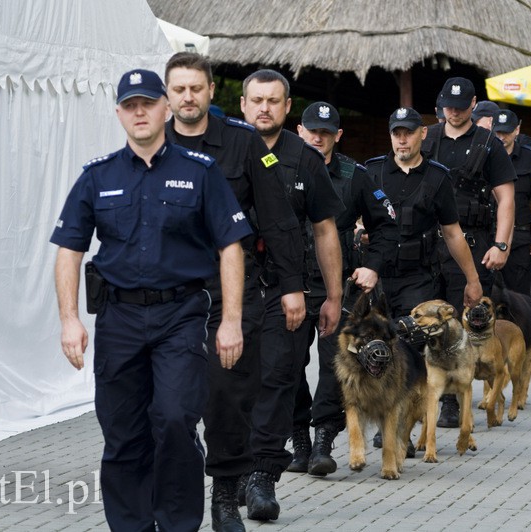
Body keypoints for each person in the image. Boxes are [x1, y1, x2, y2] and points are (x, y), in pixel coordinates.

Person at [50, 68, 252, 532]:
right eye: (129, 105)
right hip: (118, 318)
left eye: (147, 103)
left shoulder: (200, 173)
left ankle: (178, 524)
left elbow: (230, 246)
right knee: (123, 434)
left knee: (176, 419)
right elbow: (69, 250)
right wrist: (69, 320)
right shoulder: (96, 177)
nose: (139, 112)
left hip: (180, 315)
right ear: (119, 113)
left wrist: (232, 321)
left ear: (165, 108)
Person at [163, 52, 306, 532]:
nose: (188, 97)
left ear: (210, 93)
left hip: (235, 292)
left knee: (229, 398)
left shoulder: (244, 146)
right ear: (168, 96)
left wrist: (292, 288)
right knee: (173, 404)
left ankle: (224, 497)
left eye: (196, 88)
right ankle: (175, 487)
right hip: (173, 294)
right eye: (178, 90)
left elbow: (279, 220)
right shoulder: (151, 143)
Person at [240, 70, 344, 522]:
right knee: (231, 382)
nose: (264, 108)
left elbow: (325, 230)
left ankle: (263, 474)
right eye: (257, 100)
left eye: (274, 101)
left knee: (279, 377)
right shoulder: (219, 150)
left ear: (287, 109)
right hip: (227, 288)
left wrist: (334, 296)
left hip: (287, 290)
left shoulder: (306, 159)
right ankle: (235, 466)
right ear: (244, 104)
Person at [290, 101, 399, 477]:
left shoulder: (356, 175)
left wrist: (372, 266)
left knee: (332, 367)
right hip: (287, 283)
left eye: (326, 131)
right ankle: (298, 440)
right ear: (299, 130)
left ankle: (323, 439)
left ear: (338, 135)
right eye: (311, 130)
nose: (317, 137)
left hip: (337, 287)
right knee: (285, 367)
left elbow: (386, 225)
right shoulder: (278, 165)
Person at [423, 77, 516, 428]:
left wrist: (502, 244)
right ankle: (424, 392)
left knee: (462, 325)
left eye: (461, 107)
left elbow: (505, 198)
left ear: (474, 104)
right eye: (449, 105)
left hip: (474, 244)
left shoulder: (488, 143)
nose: (454, 112)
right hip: (430, 243)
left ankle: (453, 398)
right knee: (426, 319)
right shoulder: (426, 138)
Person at [365, 107, 483, 318]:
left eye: (408, 133)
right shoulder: (371, 172)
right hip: (375, 277)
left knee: (412, 345)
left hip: (418, 280)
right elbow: (352, 220)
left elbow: (453, 233)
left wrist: (472, 281)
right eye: (396, 134)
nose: (402, 140)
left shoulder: (437, 177)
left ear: (423, 133)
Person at [491, 109, 531, 295]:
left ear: (517, 130)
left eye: (506, 131)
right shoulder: (482, 157)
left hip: (518, 239)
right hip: (486, 236)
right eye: (497, 132)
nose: (501, 137)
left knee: (519, 299)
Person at [473, 100, 531, 182]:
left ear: (491, 120)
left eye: (476, 120)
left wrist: (530, 177)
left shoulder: (520, 141)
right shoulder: (479, 143)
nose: (473, 125)